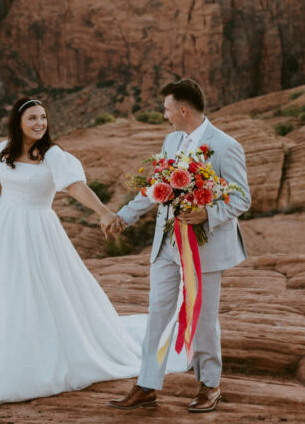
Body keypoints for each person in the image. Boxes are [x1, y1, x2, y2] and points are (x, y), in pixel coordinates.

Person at [0, 97, 174, 406]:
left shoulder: (54, 156)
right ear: (18, 123)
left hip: (37, 230)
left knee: (40, 291)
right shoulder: (2, 151)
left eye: (43, 118)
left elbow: (76, 187)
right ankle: (0, 354)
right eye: (32, 118)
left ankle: (40, 360)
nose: (39, 123)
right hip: (2, 227)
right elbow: (2, 186)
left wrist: (104, 212)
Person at [106, 78, 250, 413]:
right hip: (166, 245)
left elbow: (242, 197)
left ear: (183, 109)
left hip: (205, 247)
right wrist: (124, 216)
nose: (165, 114)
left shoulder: (226, 146)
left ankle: (209, 385)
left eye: (167, 109)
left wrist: (207, 213)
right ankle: (146, 385)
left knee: (202, 318)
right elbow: (156, 186)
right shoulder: (171, 141)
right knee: (157, 313)